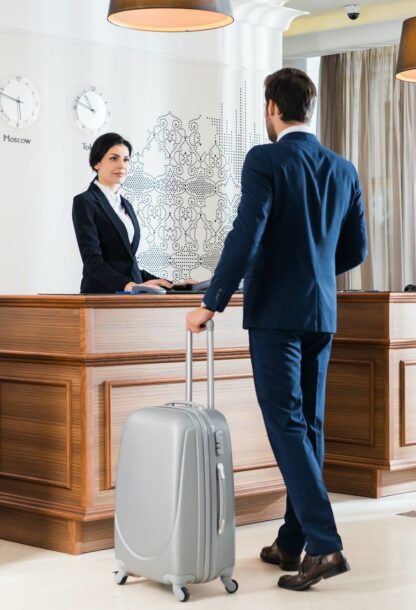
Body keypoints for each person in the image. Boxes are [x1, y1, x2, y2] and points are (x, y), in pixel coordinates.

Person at [187, 68, 367, 590]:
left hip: (275, 315)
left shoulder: (264, 159)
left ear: (271, 108)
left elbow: (247, 232)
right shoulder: (342, 168)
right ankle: (292, 539)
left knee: (286, 422)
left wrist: (211, 302)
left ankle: (325, 544)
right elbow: (354, 250)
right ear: (307, 108)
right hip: (321, 312)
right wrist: (311, 269)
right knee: (308, 423)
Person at [72, 132, 172, 294]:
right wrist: (128, 285)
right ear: (97, 163)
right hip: (100, 295)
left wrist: (170, 283)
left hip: (129, 296)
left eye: (126, 160)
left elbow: (125, 262)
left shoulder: (126, 205)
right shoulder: (85, 201)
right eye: (114, 158)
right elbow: (93, 261)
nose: (122, 165)